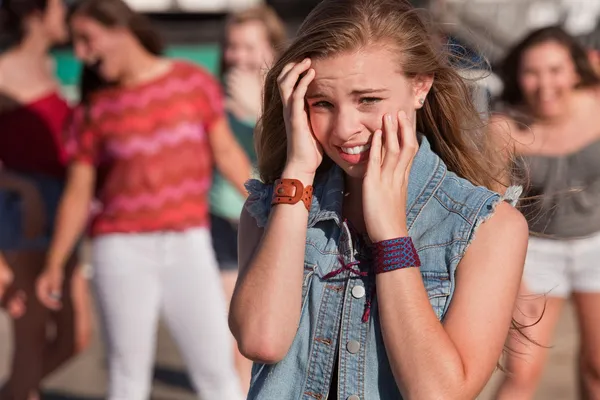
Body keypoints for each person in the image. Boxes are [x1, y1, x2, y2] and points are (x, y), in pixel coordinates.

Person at [228, 0, 529, 398]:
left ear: (420, 87)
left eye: (368, 100)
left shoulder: (487, 227)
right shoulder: (272, 208)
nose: (345, 128)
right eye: (322, 103)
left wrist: (391, 235)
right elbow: (261, 340)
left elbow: (438, 393)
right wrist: (298, 171)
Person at [35, 0, 249, 399]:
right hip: (120, 249)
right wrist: (54, 262)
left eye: (87, 38)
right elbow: (78, 192)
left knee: (218, 372)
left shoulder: (192, 82)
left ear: (119, 27)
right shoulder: (95, 109)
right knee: (126, 378)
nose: (81, 52)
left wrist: (274, 207)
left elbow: (229, 157)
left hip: (189, 242)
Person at [491, 26, 600, 400]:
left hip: (595, 244)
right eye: (532, 72)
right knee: (521, 371)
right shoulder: (504, 128)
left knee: (598, 367)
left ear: (576, 70)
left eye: (556, 70)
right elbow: (493, 211)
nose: (545, 84)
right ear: (518, 76)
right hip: (535, 252)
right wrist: (511, 276)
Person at [0, 1, 92, 399]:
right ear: (35, 12)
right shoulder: (3, 70)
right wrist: (21, 187)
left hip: (63, 209)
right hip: (24, 211)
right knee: (31, 341)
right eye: (60, 7)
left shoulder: (56, 67)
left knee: (76, 336)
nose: (67, 15)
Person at [209, 4, 286, 392]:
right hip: (224, 222)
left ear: (273, 49)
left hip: (275, 223)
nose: (238, 56)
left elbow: (290, 161)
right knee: (236, 329)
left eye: (249, 46)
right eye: (231, 47)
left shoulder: (290, 101)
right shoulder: (214, 100)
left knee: (270, 328)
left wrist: (261, 111)